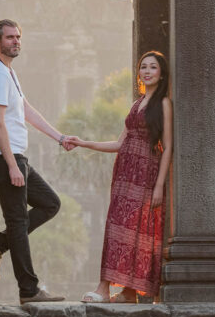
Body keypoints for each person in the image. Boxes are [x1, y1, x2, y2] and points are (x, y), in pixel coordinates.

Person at [0, 19, 77, 304]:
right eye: (9, 37)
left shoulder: (8, 72)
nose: (15, 41)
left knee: (50, 203)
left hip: (14, 156)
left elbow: (25, 110)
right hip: (2, 157)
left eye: (18, 36)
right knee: (18, 221)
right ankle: (29, 290)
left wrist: (59, 137)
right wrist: (11, 165)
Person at [68, 51, 173, 303]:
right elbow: (119, 143)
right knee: (117, 228)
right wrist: (84, 143)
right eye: (143, 67)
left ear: (161, 73)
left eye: (153, 67)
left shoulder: (164, 104)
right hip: (125, 172)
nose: (147, 71)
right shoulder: (136, 104)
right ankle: (122, 291)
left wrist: (159, 185)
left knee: (139, 232)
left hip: (147, 173)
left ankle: (116, 290)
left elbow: (168, 146)